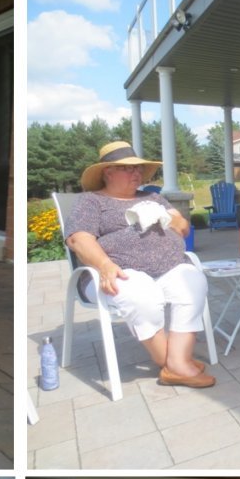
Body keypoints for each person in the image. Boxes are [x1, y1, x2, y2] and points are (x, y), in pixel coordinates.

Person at [65, 140, 214, 388]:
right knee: (142, 294)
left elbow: (183, 228)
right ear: (107, 172)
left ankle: (176, 363)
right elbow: (78, 239)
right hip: (115, 271)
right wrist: (104, 264)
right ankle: (174, 363)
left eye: (138, 168)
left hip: (168, 267)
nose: (137, 173)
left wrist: (171, 218)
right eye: (127, 168)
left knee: (193, 282)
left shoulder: (153, 197)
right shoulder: (91, 201)